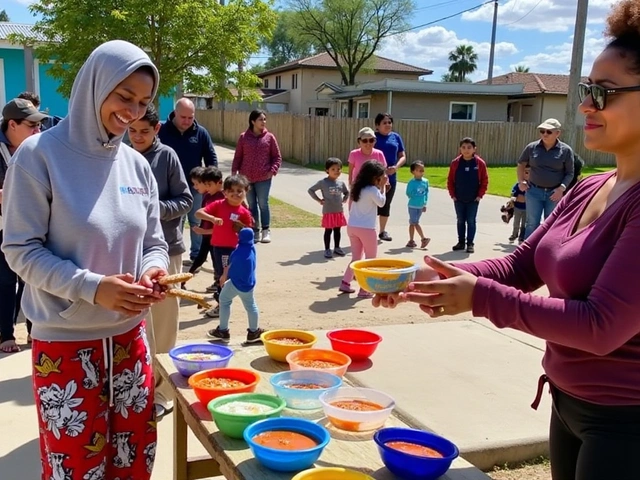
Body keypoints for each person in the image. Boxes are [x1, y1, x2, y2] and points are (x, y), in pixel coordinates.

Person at [375, 3, 640, 477]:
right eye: (586, 91)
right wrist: (421, 277)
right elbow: (520, 266)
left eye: (603, 93)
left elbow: (602, 327)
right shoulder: (589, 185)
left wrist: (479, 298)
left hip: (626, 424)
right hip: (568, 403)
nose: (585, 106)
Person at [1, 40, 168, 479]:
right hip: (66, 348)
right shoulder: (38, 157)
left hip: (132, 343)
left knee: (134, 465)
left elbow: (154, 240)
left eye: (144, 102)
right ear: (95, 86)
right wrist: (92, 287)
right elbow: (19, 249)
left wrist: (154, 267)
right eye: (124, 96)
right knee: (76, 471)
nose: (132, 111)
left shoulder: (136, 166)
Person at [128, 102, 193, 419]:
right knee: (136, 324)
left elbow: (185, 200)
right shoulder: (119, 155)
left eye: (144, 131)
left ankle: (164, 392)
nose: (137, 137)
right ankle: (140, 385)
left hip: (166, 250)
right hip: (130, 252)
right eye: (132, 131)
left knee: (163, 325)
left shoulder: (166, 156)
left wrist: (152, 209)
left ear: (156, 130)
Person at [0, 98, 46, 353]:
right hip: (2, 226)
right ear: (13, 124)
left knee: (32, 280)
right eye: (32, 125)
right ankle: (6, 334)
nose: (37, 131)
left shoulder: (38, 148)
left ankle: (33, 331)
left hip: (31, 224)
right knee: (6, 281)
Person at [195, 175, 257, 342]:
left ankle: (222, 306)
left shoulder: (244, 212)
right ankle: (222, 305)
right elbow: (199, 213)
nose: (236, 194)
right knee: (221, 277)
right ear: (225, 193)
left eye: (240, 191)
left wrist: (242, 226)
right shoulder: (218, 205)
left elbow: (248, 233)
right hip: (220, 249)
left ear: (246, 192)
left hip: (236, 250)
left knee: (226, 277)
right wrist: (212, 219)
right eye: (232, 192)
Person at [158, 97, 217, 263]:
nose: (187, 121)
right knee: (173, 221)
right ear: (175, 113)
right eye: (183, 117)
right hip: (169, 186)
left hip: (195, 187)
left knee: (196, 220)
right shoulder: (161, 130)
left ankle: (196, 255)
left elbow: (211, 157)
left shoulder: (201, 132)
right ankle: (173, 254)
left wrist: (210, 181)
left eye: (190, 117)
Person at [517, 118, 575, 239]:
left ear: (557, 133)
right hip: (533, 191)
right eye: (542, 131)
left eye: (549, 132)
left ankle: (545, 251)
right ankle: (527, 253)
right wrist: (521, 181)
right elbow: (521, 164)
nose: (544, 134)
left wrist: (561, 188)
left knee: (551, 223)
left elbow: (570, 173)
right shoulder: (532, 147)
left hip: (554, 193)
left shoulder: (565, 150)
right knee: (532, 223)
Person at [231, 109, 282, 244]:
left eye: (264, 119)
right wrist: (234, 173)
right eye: (260, 119)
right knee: (252, 205)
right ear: (253, 121)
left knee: (263, 203)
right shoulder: (243, 137)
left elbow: (277, 157)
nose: (263, 122)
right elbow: (238, 156)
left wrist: (272, 171)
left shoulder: (269, 137)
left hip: (264, 178)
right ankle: (255, 231)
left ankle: (266, 230)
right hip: (246, 179)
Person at [339, 161, 387, 298]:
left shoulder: (357, 188)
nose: (380, 180)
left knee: (356, 258)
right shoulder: (372, 190)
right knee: (370, 260)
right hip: (367, 229)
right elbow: (382, 203)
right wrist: (382, 187)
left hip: (353, 227)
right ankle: (365, 289)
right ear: (373, 177)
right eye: (379, 177)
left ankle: (345, 282)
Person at [213, 228, 263, 344]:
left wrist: (224, 276)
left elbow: (230, 265)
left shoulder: (237, 251)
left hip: (235, 283)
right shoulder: (251, 249)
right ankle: (253, 332)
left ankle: (223, 331)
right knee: (251, 307)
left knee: (224, 301)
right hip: (248, 285)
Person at [186, 166, 225, 302]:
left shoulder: (221, 199)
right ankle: (184, 280)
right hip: (208, 235)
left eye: (197, 184)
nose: (196, 187)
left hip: (216, 237)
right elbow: (203, 214)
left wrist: (204, 230)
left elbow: (222, 225)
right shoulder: (208, 195)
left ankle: (220, 290)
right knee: (204, 258)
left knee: (215, 262)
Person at [446, 137, 489, 254]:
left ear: (474, 149)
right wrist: (453, 195)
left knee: (471, 220)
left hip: (473, 199)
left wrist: (480, 196)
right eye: (464, 147)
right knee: (460, 220)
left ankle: (470, 243)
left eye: (469, 148)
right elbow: (450, 180)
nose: (466, 150)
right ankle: (461, 242)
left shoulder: (480, 163)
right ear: (460, 149)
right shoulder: (455, 163)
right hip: (458, 198)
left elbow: (485, 181)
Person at [307, 157, 349, 258]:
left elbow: (347, 192)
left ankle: (337, 247)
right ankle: (327, 249)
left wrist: (345, 198)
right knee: (328, 230)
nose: (336, 171)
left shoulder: (341, 183)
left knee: (337, 230)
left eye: (338, 169)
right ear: (327, 170)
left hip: (338, 211)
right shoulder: (323, 182)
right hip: (328, 211)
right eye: (333, 169)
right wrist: (319, 200)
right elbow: (311, 190)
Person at [374, 113, 407, 242]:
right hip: (375, 177)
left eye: (389, 122)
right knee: (372, 204)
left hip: (391, 177)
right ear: (377, 125)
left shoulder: (396, 137)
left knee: (386, 204)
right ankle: (369, 230)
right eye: (384, 122)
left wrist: (396, 167)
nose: (388, 125)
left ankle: (382, 232)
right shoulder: (373, 138)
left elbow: (403, 156)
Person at [405, 160, 430, 249]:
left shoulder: (425, 181)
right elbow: (408, 193)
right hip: (412, 205)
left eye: (422, 170)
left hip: (420, 206)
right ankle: (423, 239)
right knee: (415, 222)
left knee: (413, 223)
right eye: (419, 170)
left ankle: (411, 240)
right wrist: (415, 195)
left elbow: (426, 193)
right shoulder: (412, 182)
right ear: (413, 172)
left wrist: (424, 203)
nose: (421, 172)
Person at [509, 167, 529, 243]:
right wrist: (513, 198)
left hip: (527, 208)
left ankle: (522, 236)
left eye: (527, 173)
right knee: (516, 222)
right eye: (524, 172)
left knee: (524, 223)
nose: (526, 175)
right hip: (518, 207)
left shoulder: (531, 185)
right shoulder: (518, 185)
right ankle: (514, 235)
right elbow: (514, 193)